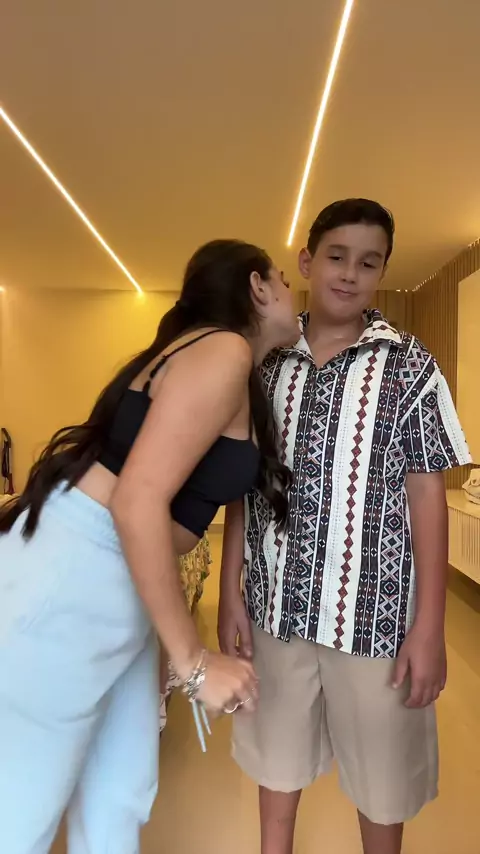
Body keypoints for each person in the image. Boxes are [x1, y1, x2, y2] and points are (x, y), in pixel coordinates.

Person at [0, 238, 298, 854]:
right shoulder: (223, 350)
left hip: (123, 575)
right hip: (78, 571)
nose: (293, 293)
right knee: (19, 810)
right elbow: (136, 500)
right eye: (283, 280)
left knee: (121, 791)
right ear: (258, 286)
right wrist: (194, 663)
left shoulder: (224, 361)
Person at [218, 200, 472, 854]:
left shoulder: (410, 365)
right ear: (307, 261)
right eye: (337, 257)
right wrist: (228, 593)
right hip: (276, 606)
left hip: (376, 619)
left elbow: (427, 494)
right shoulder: (266, 362)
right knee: (276, 765)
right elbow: (244, 482)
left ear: (382, 271)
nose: (350, 274)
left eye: (368, 262)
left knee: (383, 784)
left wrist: (430, 628)